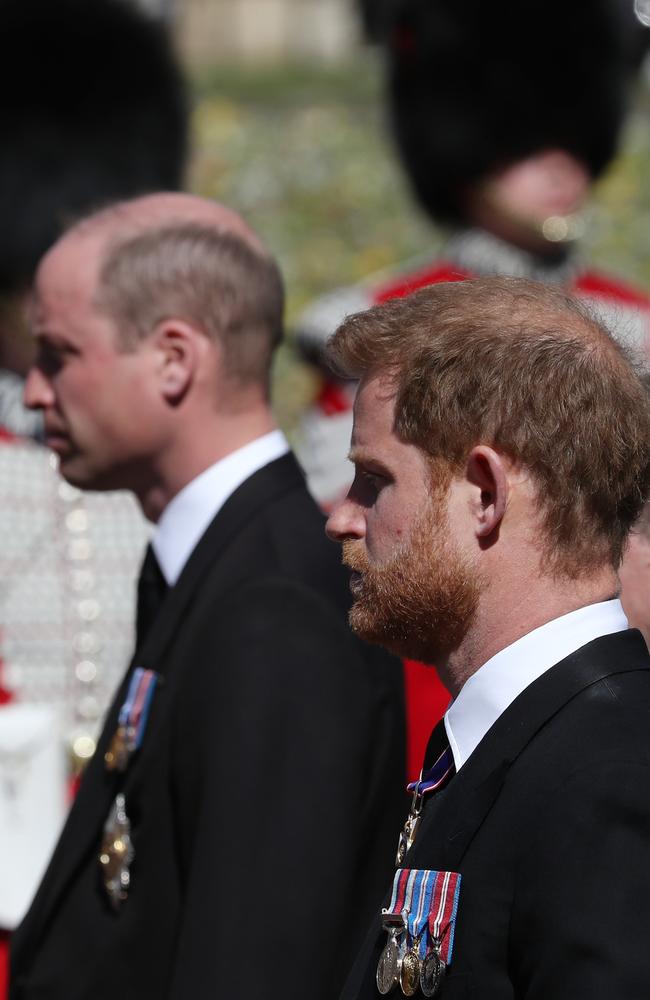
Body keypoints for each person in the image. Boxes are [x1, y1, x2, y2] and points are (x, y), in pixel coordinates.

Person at [10, 193, 405, 1000]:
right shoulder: (218, 568)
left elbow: (254, 962)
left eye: (58, 355)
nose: (35, 391)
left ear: (173, 360)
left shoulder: (273, 608)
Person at [295, 0, 650, 779]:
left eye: (573, 140)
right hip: (436, 696)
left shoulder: (637, 326)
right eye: (527, 143)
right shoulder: (378, 326)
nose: (562, 167)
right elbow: (358, 539)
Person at [325, 276, 650, 998]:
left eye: (374, 481)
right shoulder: (527, 741)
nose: (343, 520)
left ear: (485, 494)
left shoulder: (608, 776)